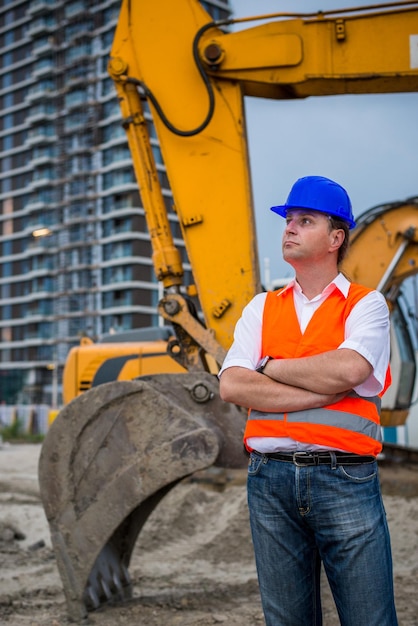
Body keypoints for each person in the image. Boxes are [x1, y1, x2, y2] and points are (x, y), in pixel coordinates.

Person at [218, 175, 397, 626]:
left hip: (345, 481)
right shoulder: (261, 307)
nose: (290, 228)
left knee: (369, 619)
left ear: (336, 237)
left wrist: (269, 365)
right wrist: (318, 386)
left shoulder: (366, 305)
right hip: (269, 482)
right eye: (288, 220)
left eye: (305, 220)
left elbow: (350, 371)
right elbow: (232, 386)